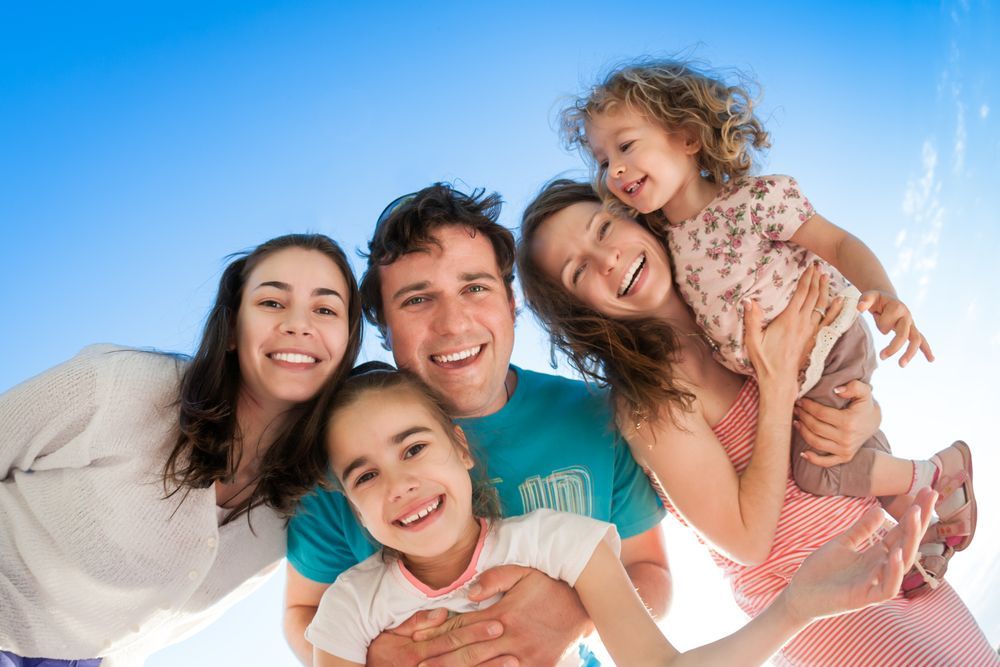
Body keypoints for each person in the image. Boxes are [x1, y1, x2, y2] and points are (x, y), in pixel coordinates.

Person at [283, 183, 881, 667]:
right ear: (384, 329)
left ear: (511, 302)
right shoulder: (349, 456)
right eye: (416, 300)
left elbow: (652, 574)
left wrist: (572, 614)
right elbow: (305, 613)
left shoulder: (596, 417)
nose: (453, 322)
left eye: (475, 287)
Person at [518, 178, 1000, 665]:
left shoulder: (736, 306)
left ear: (634, 218)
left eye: (603, 228)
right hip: (824, 604)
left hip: (896, 554)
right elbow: (748, 540)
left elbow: (835, 389)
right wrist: (775, 389)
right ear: (580, 313)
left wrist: (863, 413)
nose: (608, 260)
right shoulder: (651, 401)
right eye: (579, 271)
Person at [556, 59, 976, 596]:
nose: (613, 169)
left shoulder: (756, 202)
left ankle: (940, 475)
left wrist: (887, 296)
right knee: (846, 450)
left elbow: (839, 243)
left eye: (626, 146)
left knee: (819, 470)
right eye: (603, 159)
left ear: (686, 137)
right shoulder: (664, 242)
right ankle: (923, 537)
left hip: (827, 341)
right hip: (788, 372)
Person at [305, 363, 933, 667]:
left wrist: (795, 606)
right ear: (351, 504)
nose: (402, 483)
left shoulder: (560, 543)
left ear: (461, 450)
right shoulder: (351, 610)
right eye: (365, 475)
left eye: (414, 447)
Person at [0, 234, 362, 667]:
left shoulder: (315, 486)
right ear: (231, 329)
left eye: (325, 310)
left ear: (346, 345)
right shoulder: (121, 387)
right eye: (271, 303)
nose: (298, 324)